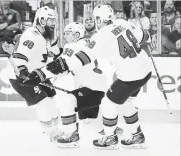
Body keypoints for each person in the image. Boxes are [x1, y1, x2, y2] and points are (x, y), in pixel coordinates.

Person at [22, 4, 152, 149]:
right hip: (146, 70)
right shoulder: (122, 23)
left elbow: (70, 62)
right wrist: (148, 39)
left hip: (129, 76)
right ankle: (136, 135)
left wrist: (41, 74)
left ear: (98, 19)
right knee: (126, 102)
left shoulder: (100, 37)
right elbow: (145, 36)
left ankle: (109, 138)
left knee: (107, 104)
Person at [8, 6, 61, 142]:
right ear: (42, 20)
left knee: (52, 101)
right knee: (43, 103)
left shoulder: (44, 35)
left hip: (38, 74)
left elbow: (54, 52)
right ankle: (51, 133)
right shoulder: (32, 34)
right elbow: (19, 56)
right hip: (24, 76)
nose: (54, 23)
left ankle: (56, 128)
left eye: (54, 20)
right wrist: (23, 73)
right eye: (51, 20)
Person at [52, 22, 107, 147]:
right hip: (96, 87)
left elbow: (61, 67)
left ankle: (71, 135)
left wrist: (41, 76)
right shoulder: (84, 43)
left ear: (77, 34)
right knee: (88, 120)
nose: (65, 36)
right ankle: (109, 132)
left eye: (68, 33)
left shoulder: (72, 45)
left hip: (91, 88)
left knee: (67, 101)